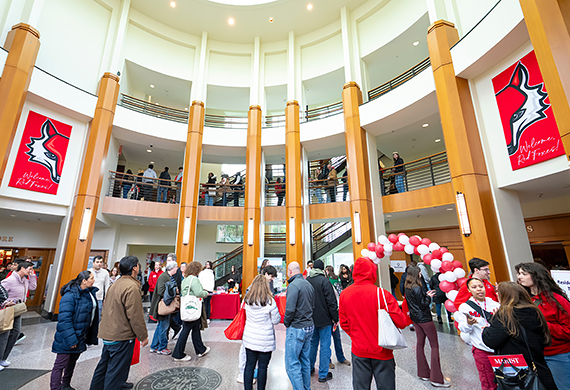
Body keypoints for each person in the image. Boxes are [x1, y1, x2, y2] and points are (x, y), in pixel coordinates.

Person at [339, 256, 408, 390]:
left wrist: (356, 336)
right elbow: (401, 322)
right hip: (382, 350)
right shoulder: (382, 294)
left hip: (359, 350)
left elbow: (344, 323)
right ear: (372, 272)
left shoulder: (345, 294)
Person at [482, 282, 558, 390]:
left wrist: (486, 329)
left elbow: (491, 340)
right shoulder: (534, 311)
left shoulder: (505, 314)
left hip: (515, 374)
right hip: (537, 367)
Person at [89, 256, 148, 390]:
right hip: (121, 334)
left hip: (109, 331)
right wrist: (142, 336)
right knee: (116, 370)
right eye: (138, 265)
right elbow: (135, 316)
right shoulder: (131, 287)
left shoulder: (115, 283)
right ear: (134, 268)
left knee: (104, 365)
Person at [516, 262, 570, 390]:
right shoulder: (525, 300)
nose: (519, 277)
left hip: (557, 355)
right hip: (533, 357)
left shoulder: (557, 300)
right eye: (518, 273)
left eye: (524, 274)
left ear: (536, 276)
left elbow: (568, 331)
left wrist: (543, 325)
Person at [51, 271, 99, 390]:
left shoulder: (88, 293)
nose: (94, 280)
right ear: (84, 281)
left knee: (71, 362)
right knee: (60, 364)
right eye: (91, 278)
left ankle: (65, 384)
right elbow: (64, 320)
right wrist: (71, 339)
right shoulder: (70, 295)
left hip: (80, 335)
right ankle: (55, 388)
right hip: (67, 338)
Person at [405, 266, 449, 387]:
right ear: (416, 274)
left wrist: (425, 296)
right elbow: (423, 304)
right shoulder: (417, 287)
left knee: (420, 344)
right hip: (424, 318)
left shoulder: (407, 287)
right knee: (434, 346)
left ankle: (423, 372)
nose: (420, 274)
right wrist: (429, 297)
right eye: (419, 273)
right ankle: (436, 378)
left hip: (415, 318)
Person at [455, 278, 500, 390]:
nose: (479, 289)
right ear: (469, 290)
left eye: (480, 286)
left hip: (499, 349)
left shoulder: (495, 304)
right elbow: (463, 329)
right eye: (474, 287)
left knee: (505, 380)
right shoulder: (465, 307)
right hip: (482, 350)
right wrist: (469, 324)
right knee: (488, 382)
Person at [242, 275, 281, 390]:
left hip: (250, 338)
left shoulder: (247, 300)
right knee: (263, 367)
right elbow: (276, 320)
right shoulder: (270, 302)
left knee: (249, 365)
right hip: (265, 339)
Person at [0, 260, 36, 369]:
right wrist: (5, 302)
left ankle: (3, 358)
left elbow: (33, 287)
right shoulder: (10, 280)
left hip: (18, 310)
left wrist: (33, 275)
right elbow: (0, 293)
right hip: (8, 310)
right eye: (29, 269)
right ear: (22, 268)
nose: (31, 271)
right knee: (4, 336)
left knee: (15, 333)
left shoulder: (24, 280)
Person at [284, 261, 315, 390]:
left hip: (297, 327)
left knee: (292, 364)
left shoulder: (293, 285)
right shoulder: (308, 284)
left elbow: (290, 309)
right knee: (305, 362)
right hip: (309, 326)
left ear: (290, 271)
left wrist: (286, 322)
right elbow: (313, 306)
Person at [172, 261, 210, 362]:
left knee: (195, 329)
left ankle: (201, 349)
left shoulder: (185, 279)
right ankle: (178, 354)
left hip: (187, 307)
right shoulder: (194, 279)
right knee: (186, 330)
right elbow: (198, 292)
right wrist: (206, 293)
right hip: (193, 308)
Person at [307, 259, 337, 383]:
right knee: (325, 346)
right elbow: (331, 302)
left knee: (312, 344)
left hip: (311, 319)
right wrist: (335, 317)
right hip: (325, 319)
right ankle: (323, 374)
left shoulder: (307, 281)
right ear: (322, 269)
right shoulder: (325, 281)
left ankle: (309, 368)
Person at [149, 260, 178, 355]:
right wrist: (174, 291)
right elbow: (161, 291)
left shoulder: (167, 276)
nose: (177, 269)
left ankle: (154, 346)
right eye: (176, 267)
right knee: (163, 327)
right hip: (163, 305)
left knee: (160, 326)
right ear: (173, 268)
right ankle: (162, 347)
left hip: (164, 305)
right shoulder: (164, 277)